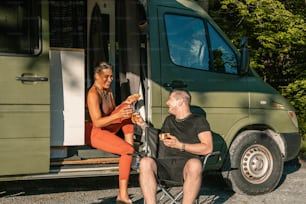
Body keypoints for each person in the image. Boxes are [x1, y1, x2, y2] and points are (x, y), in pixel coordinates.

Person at [138, 89, 213, 204]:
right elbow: (159, 137)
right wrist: (143, 124)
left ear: (180, 102)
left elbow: (207, 148)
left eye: (170, 99)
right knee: (145, 162)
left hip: (186, 167)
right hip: (165, 165)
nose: (167, 103)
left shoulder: (198, 121)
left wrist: (180, 145)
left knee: (195, 164)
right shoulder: (169, 120)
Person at [87, 61, 139, 204]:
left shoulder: (108, 90)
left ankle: (130, 152)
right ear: (97, 76)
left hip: (107, 127)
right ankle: (122, 195)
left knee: (127, 109)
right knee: (127, 150)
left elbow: (113, 111)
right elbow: (97, 122)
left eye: (111, 77)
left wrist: (126, 104)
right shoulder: (93, 93)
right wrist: (119, 113)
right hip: (93, 131)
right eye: (107, 77)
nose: (110, 80)